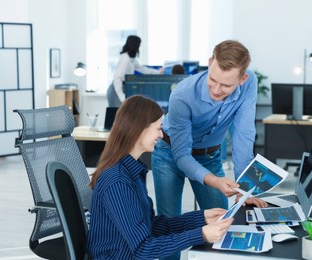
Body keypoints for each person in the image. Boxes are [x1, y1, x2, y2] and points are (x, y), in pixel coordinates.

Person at [86, 95, 236, 259]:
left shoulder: (132, 172)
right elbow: (143, 248)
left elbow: (153, 226)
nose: (161, 134)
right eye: (158, 128)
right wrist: (202, 235)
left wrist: (201, 217)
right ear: (140, 128)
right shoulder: (117, 180)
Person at [151, 39, 268, 231]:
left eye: (226, 86)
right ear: (209, 63)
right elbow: (182, 156)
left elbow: (243, 137)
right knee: (169, 226)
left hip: (209, 156)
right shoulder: (182, 95)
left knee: (223, 222)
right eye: (212, 80)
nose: (216, 89)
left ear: (242, 79)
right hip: (169, 153)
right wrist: (215, 181)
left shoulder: (249, 84)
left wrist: (244, 189)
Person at [107, 35, 164, 107]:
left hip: (123, 88)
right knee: (116, 116)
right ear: (134, 45)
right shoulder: (125, 58)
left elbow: (142, 69)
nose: (139, 46)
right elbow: (118, 78)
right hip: (116, 91)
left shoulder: (131, 59)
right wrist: (122, 97)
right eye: (139, 44)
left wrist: (158, 72)